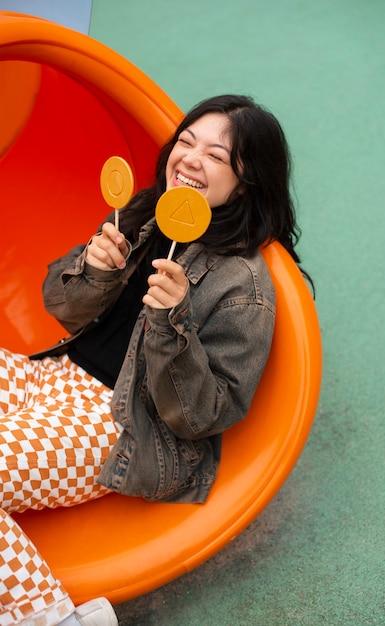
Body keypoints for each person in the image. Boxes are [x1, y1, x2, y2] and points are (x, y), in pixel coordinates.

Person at [0, 94, 312, 625]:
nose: (191, 158)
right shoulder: (144, 210)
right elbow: (60, 307)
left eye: (216, 156)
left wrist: (173, 323)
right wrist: (94, 269)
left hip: (117, 423)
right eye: (187, 142)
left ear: (247, 181)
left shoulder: (243, 282)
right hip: (49, 374)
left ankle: (54, 619)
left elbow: (202, 414)